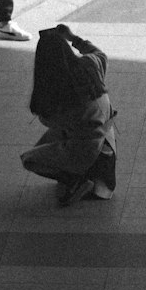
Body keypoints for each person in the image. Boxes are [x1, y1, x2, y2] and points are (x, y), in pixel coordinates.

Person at [20, 25, 117, 206]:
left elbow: (49, 121)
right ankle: (82, 172)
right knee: (48, 144)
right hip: (106, 137)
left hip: (86, 147)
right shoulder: (90, 65)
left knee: (30, 159)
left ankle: (76, 181)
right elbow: (100, 54)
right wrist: (73, 38)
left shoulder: (57, 93)